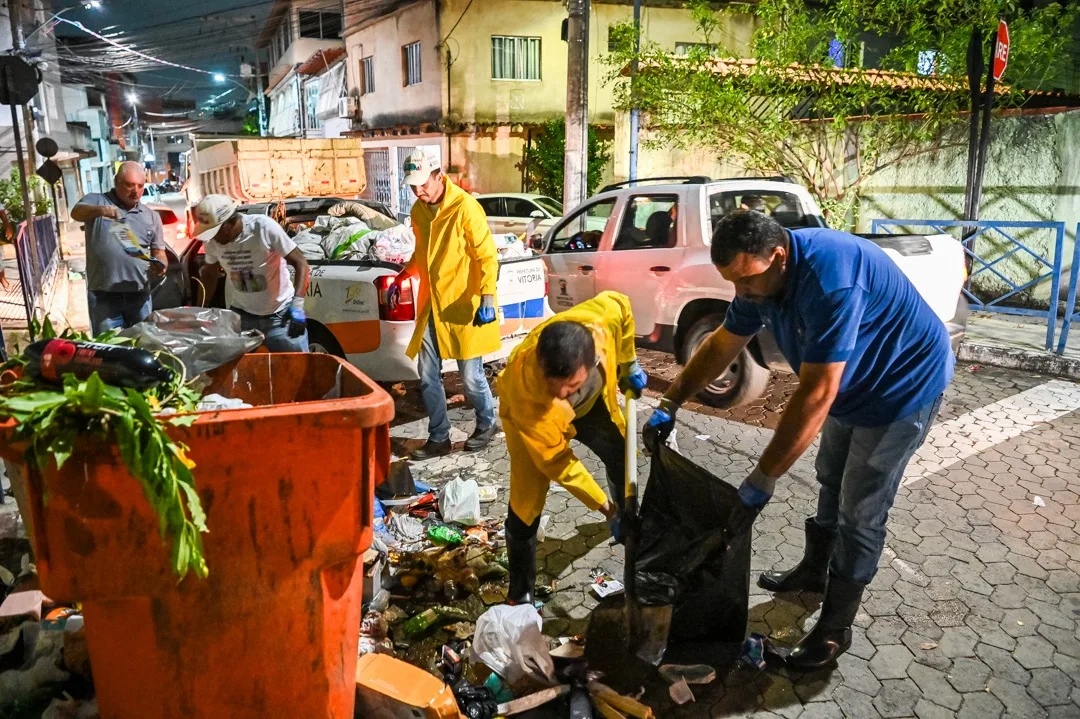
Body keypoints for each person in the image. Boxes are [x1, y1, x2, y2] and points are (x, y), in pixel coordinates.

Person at [645, 211, 953, 669]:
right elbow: (723, 344)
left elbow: (815, 394)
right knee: (830, 475)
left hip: (900, 391)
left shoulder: (831, 282)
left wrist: (762, 478)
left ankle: (834, 630)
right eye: (733, 283)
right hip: (850, 389)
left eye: (746, 282)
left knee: (860, 511)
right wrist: (670, 402)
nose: (741, 294)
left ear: (779, 256)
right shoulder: (759, 277)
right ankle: (814, 572)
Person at [498, 291, 647, 604]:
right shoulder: (526, 393)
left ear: (590, 362)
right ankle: (520, 592)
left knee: (620, 455)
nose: (563, 396)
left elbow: (622, 303)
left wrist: (628, 361)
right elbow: (560, 465)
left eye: (571, 386)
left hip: (592, 407)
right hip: (534, 429)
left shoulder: (600, 321)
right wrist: (604, 508)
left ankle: (629, 516)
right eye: (556, 388)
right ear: (540, 363)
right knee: (525, 505)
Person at [399, 150, 500, 459]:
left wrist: (487, 296)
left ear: (438, 176)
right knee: (427, 375)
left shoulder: (465, 208)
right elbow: (421, 254)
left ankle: (487, 423)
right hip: (432, 306)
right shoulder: (419, 211)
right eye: (413, 186)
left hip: (463, 305)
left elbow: (486, 255)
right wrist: (404, 274)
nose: (418, 191)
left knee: (471, 377)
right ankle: (439, 436)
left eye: (422, 184)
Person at [193, 194, 311, 352]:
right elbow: (209, 274)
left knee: (296, 369)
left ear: (229, 222)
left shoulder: (263, 228)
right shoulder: (213, 242)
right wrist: (200, 310)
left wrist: (297, 306)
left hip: (280, 317)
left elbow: (301, 263)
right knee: (243, 372)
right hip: (242, 317)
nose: (213, 238)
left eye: (216, 232)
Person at [71, 162, 168, 334]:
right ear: (116, 182)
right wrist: (101, 211)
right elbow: (76, 212)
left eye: (140, 186)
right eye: (130, 185)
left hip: (139, 295)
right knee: (109, 349)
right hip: (104, 295)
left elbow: (158, 251)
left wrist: (161, 264)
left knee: (143, 344)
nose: (135, 191)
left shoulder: (150, 216)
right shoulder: (97, 200)